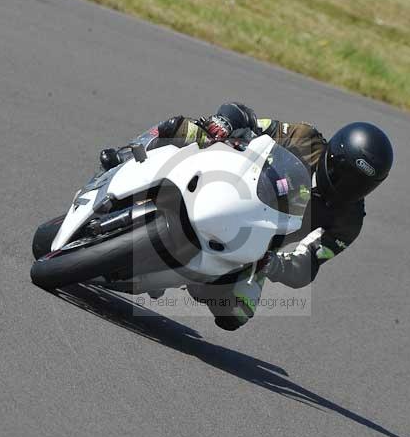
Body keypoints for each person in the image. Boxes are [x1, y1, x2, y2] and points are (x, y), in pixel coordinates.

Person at [100, 103, 394, 331]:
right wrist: (224, 123)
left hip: (251, 248)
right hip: (226, 186)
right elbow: (249, 119)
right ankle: (126, 158)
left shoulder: (348, 223)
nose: (345, 187)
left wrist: (274, 264)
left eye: (358, 185)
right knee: (184, 127)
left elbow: (308, 265)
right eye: (344, 175)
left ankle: (183, 274)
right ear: (333, 154)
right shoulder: (303, 137)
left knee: (236, 313)